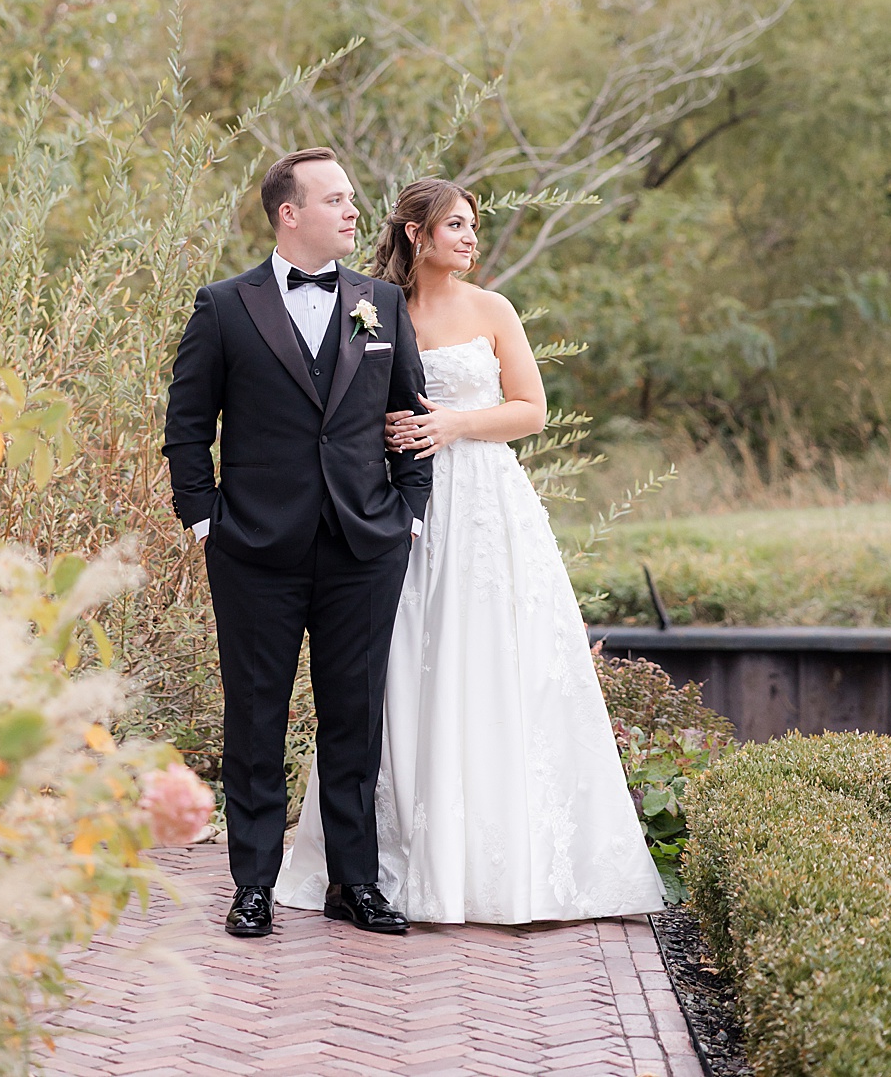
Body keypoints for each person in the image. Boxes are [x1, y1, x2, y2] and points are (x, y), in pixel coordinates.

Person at [274, 177, 666, 924]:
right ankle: (381, 862)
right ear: (417, 234)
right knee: (398, 668)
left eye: (473, 226)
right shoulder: (373, 309)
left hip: (486, 506)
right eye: (455, 225)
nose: (470, 238)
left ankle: (500, 865)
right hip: (399, 509)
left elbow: (531, 411)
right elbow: (345, 403)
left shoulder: (494, 310)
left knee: (492, 664)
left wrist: (453, 425)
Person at [163, 148, 431, 938]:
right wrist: (205, 519)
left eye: (352, 199)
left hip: (364, 544)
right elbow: (186, 429)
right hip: (253, 550)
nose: (354, 212)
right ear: (291, 213)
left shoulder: (380, 301)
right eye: (338, 200)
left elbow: (412, 418)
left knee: (356, 717)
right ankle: (252, 886)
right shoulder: (223, 306)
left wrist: (408, 515)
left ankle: (355, 883)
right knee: (255, 717)